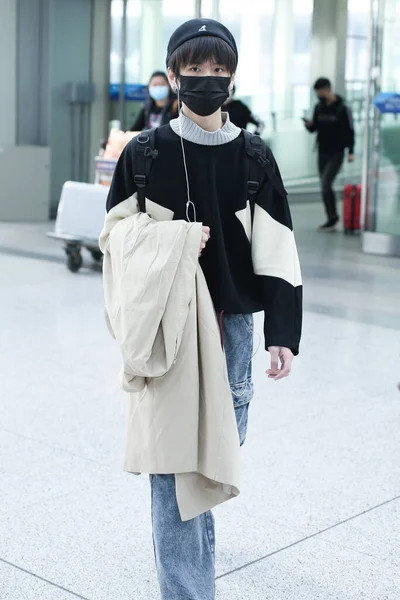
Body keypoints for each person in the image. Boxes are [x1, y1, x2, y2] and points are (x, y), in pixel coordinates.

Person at [104, 18, 302, 600]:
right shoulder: (145, 153)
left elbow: (278, 247)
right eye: (195, 70)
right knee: (173, 472)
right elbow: (114, 237)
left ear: (232, 79)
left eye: (219, 71)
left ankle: (191, 572)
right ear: (174, 76)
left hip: (232, 333)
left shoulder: (252, 157)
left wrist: (282, 334)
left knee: (208, 463)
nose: (207, 80)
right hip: (167, 330)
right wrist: (177, 240)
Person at [304, 77, 355, 231]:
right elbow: (315, 128)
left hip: (337, 152)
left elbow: (350, 131)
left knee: (326, 184)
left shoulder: (342, 108)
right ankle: (331, 218)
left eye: (319, 92)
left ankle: (333, 218)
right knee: (324, 186)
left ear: (327, 89)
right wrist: (309, 125)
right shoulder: (319, 107)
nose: (318, 95)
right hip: (322, 150)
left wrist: (351, 151)